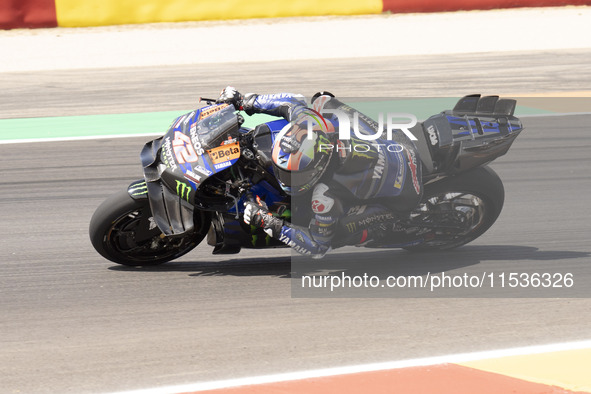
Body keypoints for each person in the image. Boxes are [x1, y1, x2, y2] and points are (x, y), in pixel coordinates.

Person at [217, 86, 423, 258]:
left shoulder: (325, 196)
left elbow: (316, 247)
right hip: (395, 142)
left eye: (292, 175)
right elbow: (289, 102)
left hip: (405, 193)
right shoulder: (310, 124)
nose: (284, 178)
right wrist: (244, 101)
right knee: (322, 101)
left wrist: (268, 221)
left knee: (336, 233)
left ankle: (376, 231)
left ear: (317, 170)